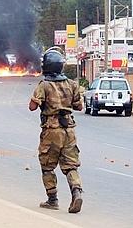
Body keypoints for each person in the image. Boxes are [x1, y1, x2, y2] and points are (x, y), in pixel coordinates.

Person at [29, 49, 84, 214]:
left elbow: (32, 107)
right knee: (70, 165)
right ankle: (76, 191)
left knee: (47, 166)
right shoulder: (72, 84)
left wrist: (38, 100)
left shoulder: (44, 85)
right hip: (69, 130)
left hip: (51, 131)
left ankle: (52, 200)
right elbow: (79, 106)